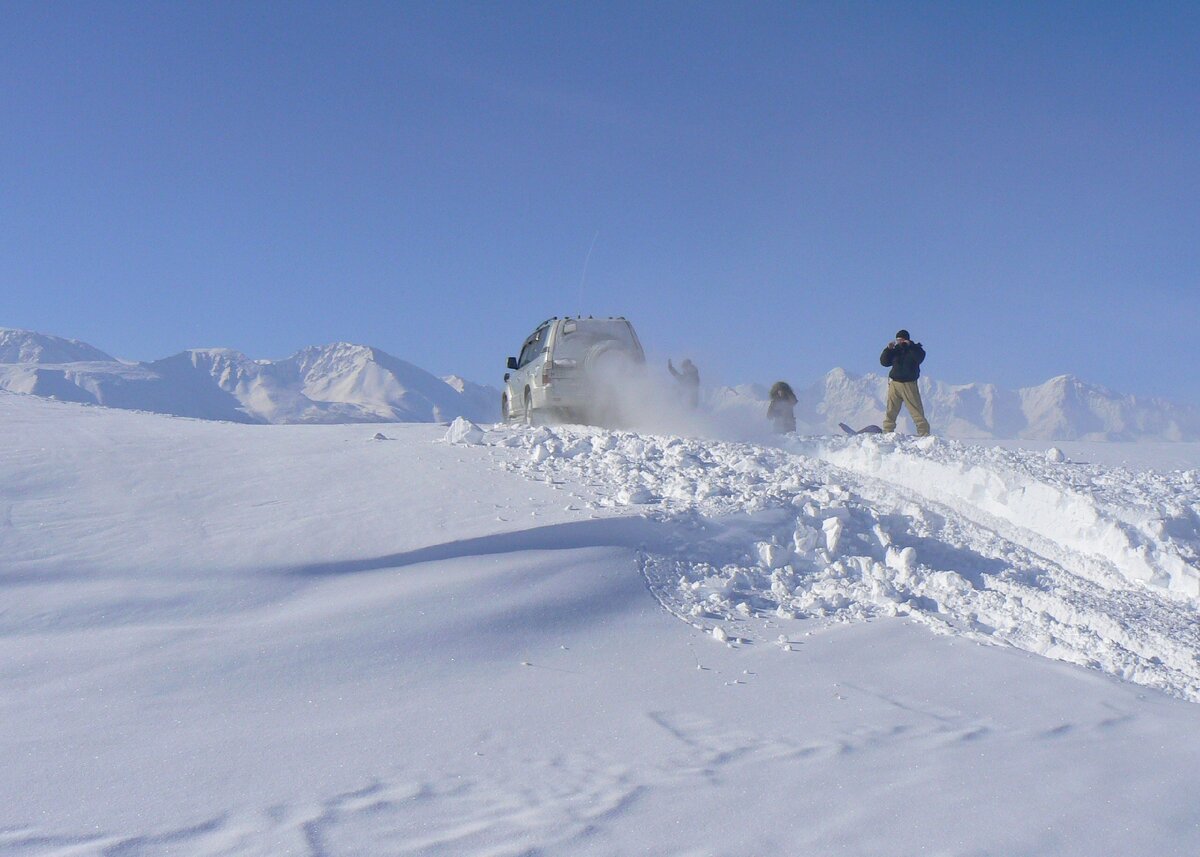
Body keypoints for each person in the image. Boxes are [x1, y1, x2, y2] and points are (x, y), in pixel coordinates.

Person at [879, 329, 930, 436]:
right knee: (891, 410)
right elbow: (884, 362)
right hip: (895, 384)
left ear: (906, 339)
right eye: (898, 340)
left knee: (916, 410)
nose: (899, 342)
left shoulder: (915, 349)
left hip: (909, 384)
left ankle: (924, 433)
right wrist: (888, 349)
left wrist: (910, 346)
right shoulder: (895, 350)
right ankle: (887, 431)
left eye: (901, 340)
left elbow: (919, 358)